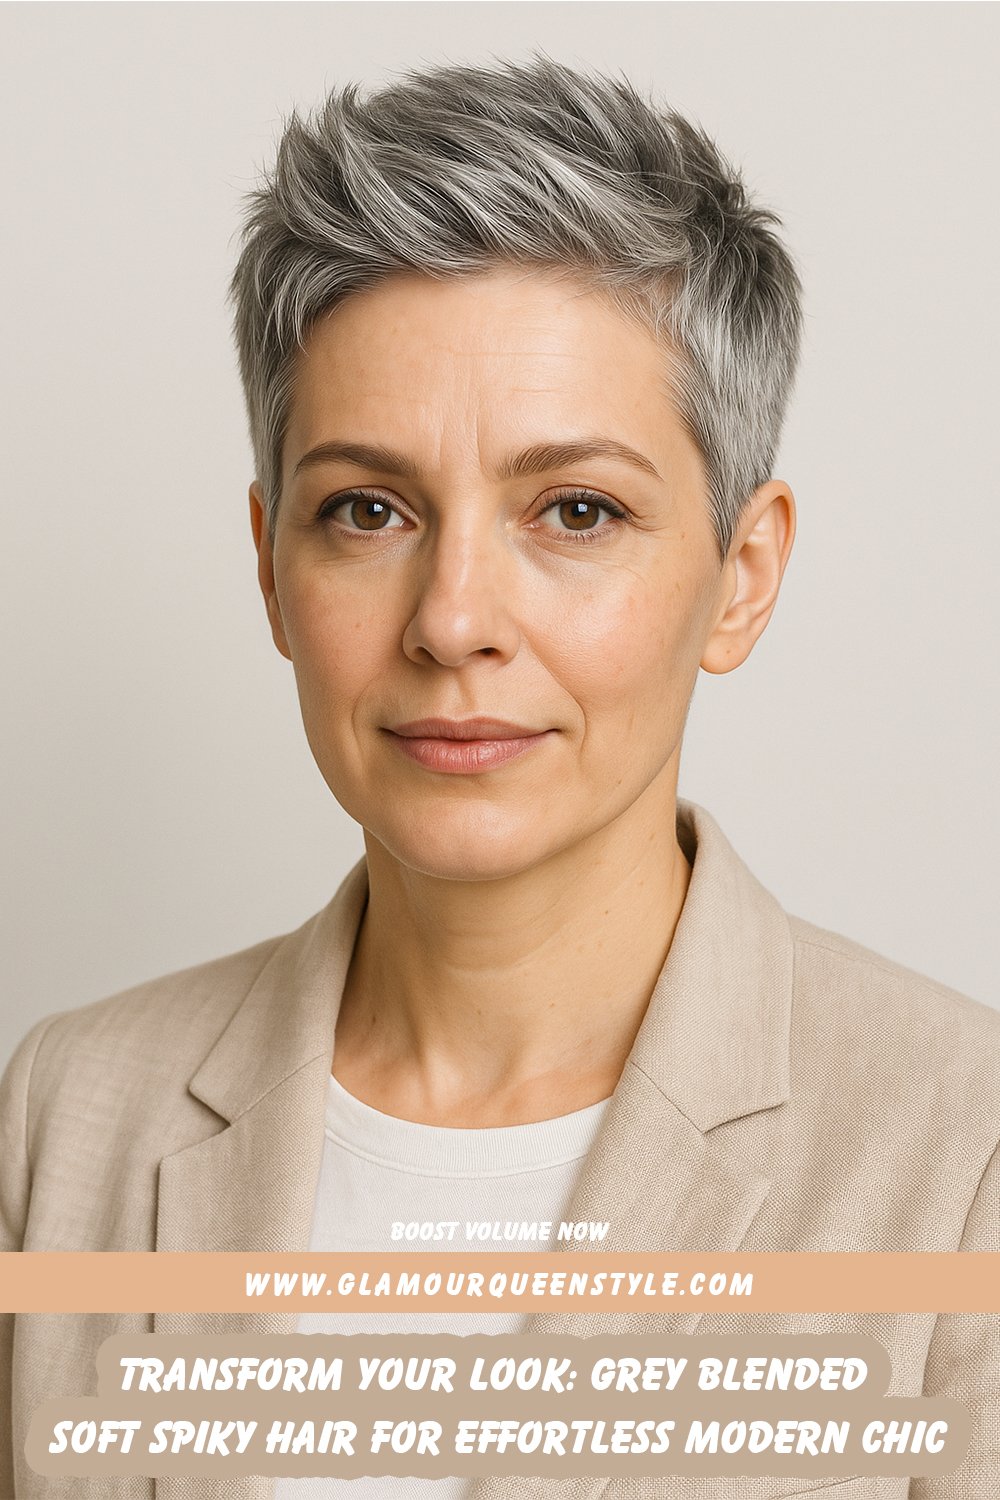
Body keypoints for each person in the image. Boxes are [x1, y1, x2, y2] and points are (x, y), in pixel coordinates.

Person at [1, 50, 997, 1500]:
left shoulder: (960, 1157)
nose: (454, 617)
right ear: (272, 567)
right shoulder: (66, 1116)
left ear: (741, 574)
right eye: (368, 509)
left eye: (576, 509)